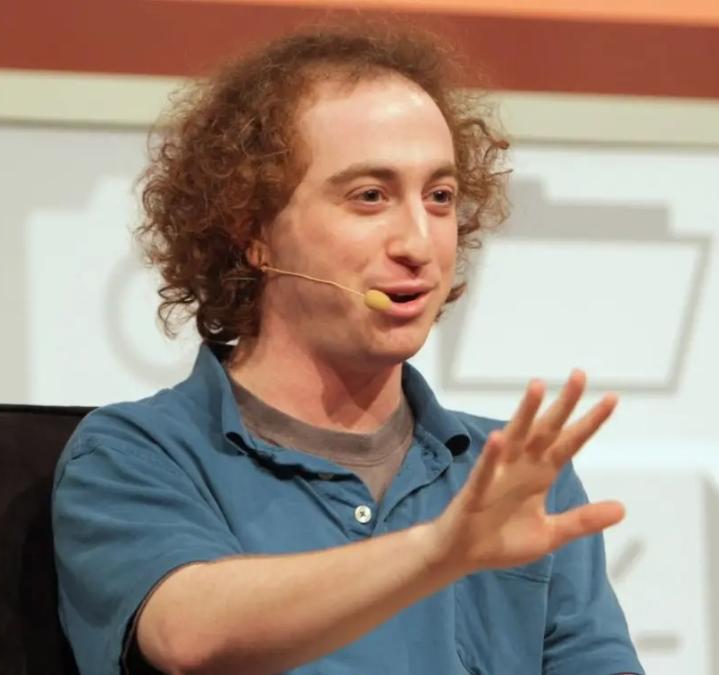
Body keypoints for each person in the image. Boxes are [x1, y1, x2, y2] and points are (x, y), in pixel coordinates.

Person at [51, 19, 642, 675]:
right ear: (253, 232)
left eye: (440, 197)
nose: (418, 243)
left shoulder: (514, 476)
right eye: (370, 197)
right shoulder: (137, 452)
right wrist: (440, 550)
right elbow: (188, 635)